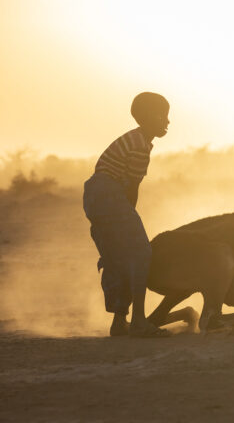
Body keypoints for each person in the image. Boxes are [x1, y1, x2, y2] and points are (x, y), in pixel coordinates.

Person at [82, 92, 171, 337]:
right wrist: (130, 212)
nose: (167, 122)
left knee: (119, 256)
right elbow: (132, 187)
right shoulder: (140, 145)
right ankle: (139, 321)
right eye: (163, 115)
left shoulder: (131, 140)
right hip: (108, 194)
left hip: (94, 196)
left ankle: (119, 322)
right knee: (140, 253)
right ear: (151, 117)